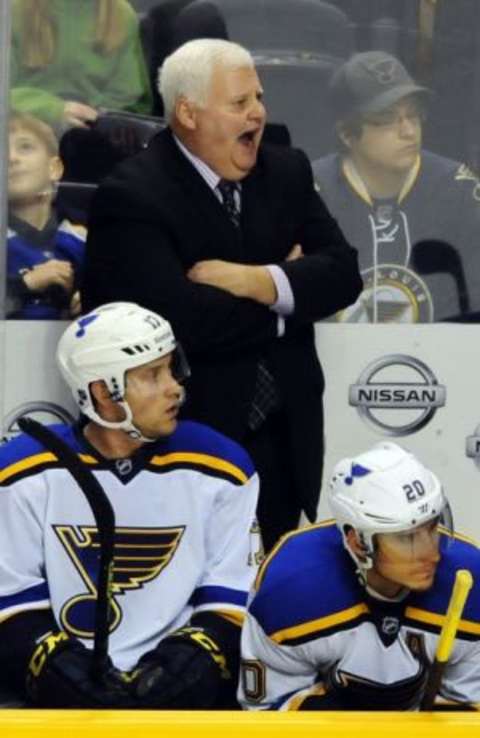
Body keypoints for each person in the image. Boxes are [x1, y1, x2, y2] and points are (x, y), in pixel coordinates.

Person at [81, 38, 363, 553]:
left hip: (285, 439)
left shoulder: (287, 171)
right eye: (240, 103)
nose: (258, 112)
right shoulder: (132, 195)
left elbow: (344, 275)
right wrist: (288, 302)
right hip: (183, 443)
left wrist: (256, 280)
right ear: (188, 113)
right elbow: (182, 323)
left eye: (258, 97)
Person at [0, 302, 261, 708]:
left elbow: (232, 598)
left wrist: (191, 662)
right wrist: (57, 669)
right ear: (103, 392)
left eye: (172, 368)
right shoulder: (21, 471)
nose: (175, 386)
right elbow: (11, 601)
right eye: (152, 375)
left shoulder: (222, 468)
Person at [238, 441, 480, 711]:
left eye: (433, 527)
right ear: (357, 543)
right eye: (407, 538)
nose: (432, 553)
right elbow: (267, 718)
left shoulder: (472, 583)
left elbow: (471, 714)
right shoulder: (290, 591)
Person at [312, 50, 480, 323]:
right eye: (388, 119)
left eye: (413, 116)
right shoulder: (310, 194)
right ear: (346, 134)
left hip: (442, 360)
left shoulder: (459, 192)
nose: (409, 131)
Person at [9, 0, 152, 132]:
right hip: (21, 131)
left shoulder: (121, 14)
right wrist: (54, 111)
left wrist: (92, 118)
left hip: (93, 134)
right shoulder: (13, 9)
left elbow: (132, 100)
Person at [7, 113, 86, 319]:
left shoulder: (83, 238)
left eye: (25, 147)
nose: (11, 158)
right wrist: (25, 284)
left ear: (54, 168)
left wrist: (93, 299)